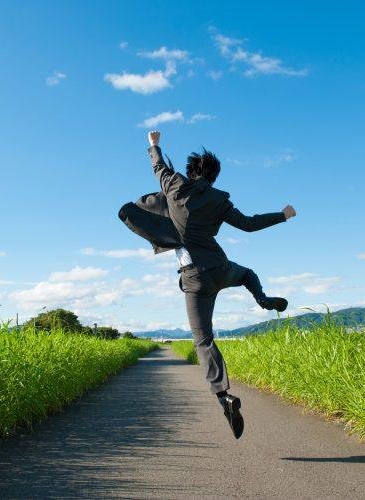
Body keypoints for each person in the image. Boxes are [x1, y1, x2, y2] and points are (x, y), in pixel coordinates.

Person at [118, 130, 297, 439]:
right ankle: (263, 299)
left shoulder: (174, 185)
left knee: (204, 340)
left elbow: (159, 167)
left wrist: (154, 144)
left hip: (194, 278)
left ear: (191, 171)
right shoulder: (220, 200)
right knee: (247, 274)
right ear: (214, 177)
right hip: (220, 267)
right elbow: (249, 224)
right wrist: (282, 215)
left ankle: (223, 396)